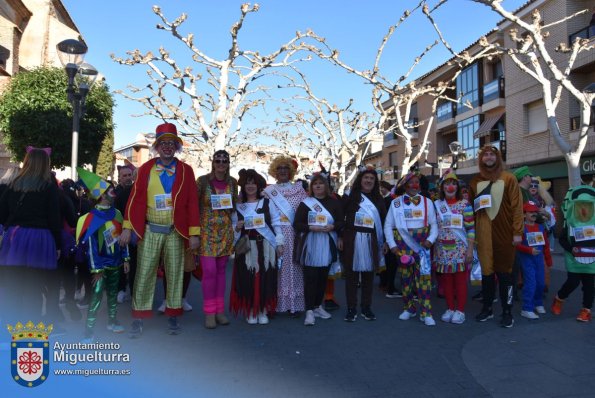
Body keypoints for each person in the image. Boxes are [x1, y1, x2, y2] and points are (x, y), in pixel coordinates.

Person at [120, 122, 200, 338]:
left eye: (171, 143)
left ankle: (173, 314)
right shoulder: (145, 168)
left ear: (176, 146)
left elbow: (193, 202)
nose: (167, 146)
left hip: (175, 231)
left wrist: (194, 233)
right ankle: (138, 317)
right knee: (144, 273)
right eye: (162, 143)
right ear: (156, 146)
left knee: (175, 274)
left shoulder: (186, 170)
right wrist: (127, 227)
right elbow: (134, 200)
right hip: (150, 230)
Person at [0, 147, 61, 324]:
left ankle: (10, 326)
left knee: (13, 286)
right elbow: (54, 217)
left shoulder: (14, 183)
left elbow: (2, 214)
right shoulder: (49, 185)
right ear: (45, 164)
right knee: (35, 288)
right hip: (40, 240)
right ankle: (29, 331)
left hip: (16, 238)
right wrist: (57, 245)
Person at [470, 145, 523, 328]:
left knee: (506, 275)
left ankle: (507, 311)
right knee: (486, 274)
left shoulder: (509, 178)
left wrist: (517, 232)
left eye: (492, 154)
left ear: (498, 157)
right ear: (481, 159)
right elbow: (470, 210)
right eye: (485, 155)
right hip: (483, 234)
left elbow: (517, 207)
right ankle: (487, 308)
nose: (489, 157)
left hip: (505, 234)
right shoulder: (475, 181)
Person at [75, 168, 130, 342]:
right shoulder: (91, 218)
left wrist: (126, 258)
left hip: (116, 263)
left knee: (113, 294)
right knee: (96, 297)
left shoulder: (118, 214)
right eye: (110, 191)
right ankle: (88, 329)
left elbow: (123, 237)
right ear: (102, 195)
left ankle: (112, 321)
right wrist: (96, 270)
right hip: (100, 266)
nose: (114, 193)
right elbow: (91, 247)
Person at [384, 171, 438, 326]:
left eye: (417, 182)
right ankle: (409, 308)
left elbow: (434, 224)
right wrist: (393, 246)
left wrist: (430, 240)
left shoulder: (428, 202)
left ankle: (426, 311)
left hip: (423, 246)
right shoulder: (396, 203)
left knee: (424, 280)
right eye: (411, 182)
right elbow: (388, 225)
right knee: (406, 280)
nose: (415, 185)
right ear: (405, 185)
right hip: (402, 247)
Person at [230, 169, 284, 324]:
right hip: (247, 247)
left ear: (259, 185)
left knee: (266, 278)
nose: (250, 186)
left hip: (266, 245)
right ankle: (251, 310)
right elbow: (233, 227)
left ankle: (263, 309)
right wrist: (237, 227)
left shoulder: (267, 203)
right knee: (248, 278)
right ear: (243, 186)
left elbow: (276, 223)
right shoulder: (238, 206)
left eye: (253, 183)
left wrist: (279, 243)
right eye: (247, 183)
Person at [294, 174, 344, 326]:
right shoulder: (305, 203)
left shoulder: (334, 203)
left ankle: (317, 306)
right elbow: (297, 224)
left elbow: (341, 221)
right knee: (310, 277)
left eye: (320, 184)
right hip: (311, 243)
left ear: (326, 186)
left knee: (323, 277)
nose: (317, 186)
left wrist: (334, 227)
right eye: (314, 184)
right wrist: (310, 227)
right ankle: (309, 310)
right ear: (311, 187)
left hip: (327, 242)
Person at [196, 150, 238, 329]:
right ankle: (209, 312)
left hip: (225, 232)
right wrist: (193, 233)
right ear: (213, 162)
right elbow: (194, 205)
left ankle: (220, 311)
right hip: (206, 232)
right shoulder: (202, 181)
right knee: (210, 271)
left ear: (228, 164)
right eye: (218, 160)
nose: (221, 164)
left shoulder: (233, 183)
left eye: (225, 161)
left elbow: (234, 206)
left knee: (221, 272)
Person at [264, 156, 308, 316]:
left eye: (286, 168)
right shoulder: (269, 192)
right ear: (275, 171)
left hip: (295, 233)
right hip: (275, 233)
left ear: (291, 170)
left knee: (295, 267)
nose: (283, 170)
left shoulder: (299, 190)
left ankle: (294, 304)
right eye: (280, 168)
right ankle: (273, 303)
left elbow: (305, 211)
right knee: (275, 268)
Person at [341, 168, 386, 322]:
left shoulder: (379, 199)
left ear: (375, 182)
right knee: (351, 276)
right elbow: (340, 217)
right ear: (360, 179)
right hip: (352, 238)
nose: (368, 181)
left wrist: (385, 241)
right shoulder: (349, 196)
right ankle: (351, 308)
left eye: (372, 179)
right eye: (366, 177)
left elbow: (384, 221)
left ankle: (366, 307)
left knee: (368, 276)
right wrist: (340, 236)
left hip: (371, 239)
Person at [433, 171, 475, 324]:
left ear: (457, 187)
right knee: (446, 281)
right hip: (442, 249)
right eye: (446, 184)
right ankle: (450, 308)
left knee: (460, 281)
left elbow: (471, 229)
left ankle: (460, 310)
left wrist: (470, 249)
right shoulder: (436, 205)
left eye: (453, 184)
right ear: (442, 187)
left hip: (460, 248)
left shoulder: (465, 205)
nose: (450, 187)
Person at [551, 185, 595, 322]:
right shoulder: (570, 223)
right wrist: (572, 249)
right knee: (572, 282)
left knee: (590, 286)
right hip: (573, 259)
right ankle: (559, 299)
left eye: (587, 205)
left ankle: (586, 310)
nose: (583, 209)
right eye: (580, 205)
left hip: (591, 260)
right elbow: (563, 239)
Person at [515, 201, 552, 320]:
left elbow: (546, 244)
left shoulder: (541, 227)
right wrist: (529, 250)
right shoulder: (520, 228)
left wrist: (548, 259)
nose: (534, 214)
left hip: (539, 259)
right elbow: (516, 245)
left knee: (541, 283)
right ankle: (527, 308)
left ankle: (538, 302)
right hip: (527, 259)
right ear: (524, 214)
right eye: (531, 212)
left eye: (535, 212)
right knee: (531, 283)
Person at [114, 163, 137, 304]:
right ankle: (121, 289)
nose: (128, 178)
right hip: (119, 232)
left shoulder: (138, 190)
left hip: (136, 234)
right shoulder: (114, 193)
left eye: (130, 175)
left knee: (134, 263)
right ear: (119, 177)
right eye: (125, 176)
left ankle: (134, 292)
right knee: (120, 262)